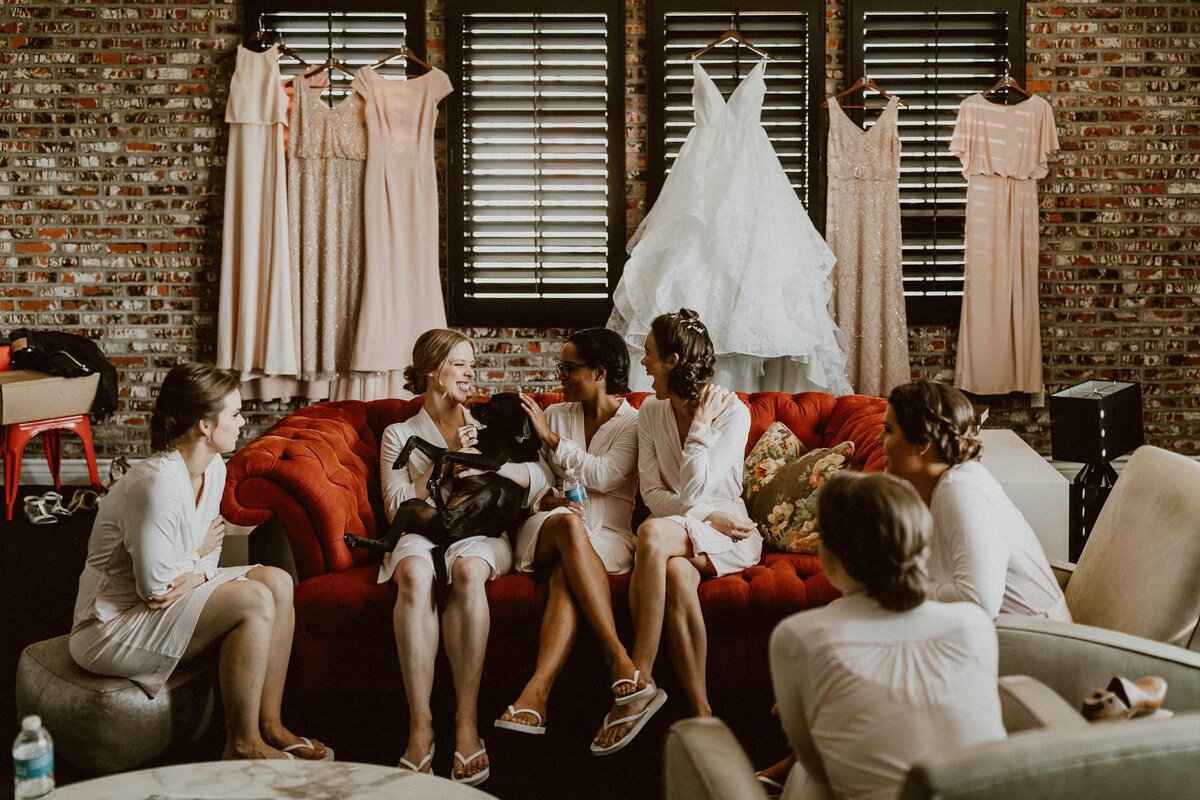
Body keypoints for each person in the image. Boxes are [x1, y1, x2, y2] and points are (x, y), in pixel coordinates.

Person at [69, 362, 329, 761]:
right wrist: (198, 553)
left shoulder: (216, 469)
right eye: (236, 413)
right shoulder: (156, 484)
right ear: (205, 425)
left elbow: (212, 552)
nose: (243, 423)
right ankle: (242, 744)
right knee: (254, 600)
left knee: (276, 582)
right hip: (110, 623)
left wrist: (196, 566)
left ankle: (270, 725)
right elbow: (154, 589)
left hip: (168, 592)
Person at [378, 329, 551, 786]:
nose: (470, 373)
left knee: (468, 571)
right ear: (432, 370)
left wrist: (488, 459)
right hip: (422, 531)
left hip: (481, 533)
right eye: (459, 364)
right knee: (414, 571)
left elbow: (540, 476)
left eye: (471, 364)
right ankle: (420, 727)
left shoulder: (488, 422)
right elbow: (395, 506)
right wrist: (441, 468)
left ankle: (466, 723)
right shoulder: (399, 434)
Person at [770, 471, 1005, 800]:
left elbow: (816, 764)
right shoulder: (975, 623)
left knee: (805, 778)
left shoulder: (798, 637)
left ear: (829, 554)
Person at [591, 308, 761, 755]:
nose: (642, 363)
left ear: (672, 360)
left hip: (731, 530)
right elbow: (653, 493)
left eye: (648, 355)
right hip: (700, 522)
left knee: (650, 535)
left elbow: (694, 487)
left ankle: (640, 676)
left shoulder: (731, 412)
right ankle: (704, 716)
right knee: (676, 574)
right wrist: (702, 515)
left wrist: (701, 430)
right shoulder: (649, 411)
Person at [495, 328, 642, 735]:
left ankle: (537, 693)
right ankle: (618, 658)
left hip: (610, 536)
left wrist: (552, 439)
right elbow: (538, 478)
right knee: (568, 525)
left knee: (566, 574)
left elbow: (609, 476)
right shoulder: (558, 413)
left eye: (569, 368)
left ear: (600, 372)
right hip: (550, 527)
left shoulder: (634, 422)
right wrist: (547, 499)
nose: (561, 374)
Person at [881, 379, 1069, 620]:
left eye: (888, 430)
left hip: (1035, 640)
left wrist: (893, 594)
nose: (878, 440)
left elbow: (978, 601)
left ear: (922, 444)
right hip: (984, 632)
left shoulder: (959, 489)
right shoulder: (934, 486)